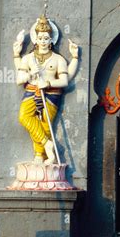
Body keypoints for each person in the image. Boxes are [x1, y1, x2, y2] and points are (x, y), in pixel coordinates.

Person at [13, 14, 79, 164]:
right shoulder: (28, 59)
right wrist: (30, 73)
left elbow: (64, 80)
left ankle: (39, 155)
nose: (43, 41)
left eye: (46, 38)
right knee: (24, 116)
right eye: (40, 38)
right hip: (32, 91)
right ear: (35, 39)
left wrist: (48, 83)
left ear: (51, 40)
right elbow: (19, 79)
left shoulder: (58, 59)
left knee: (45, 124)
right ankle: (47, 144)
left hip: (51, 95)